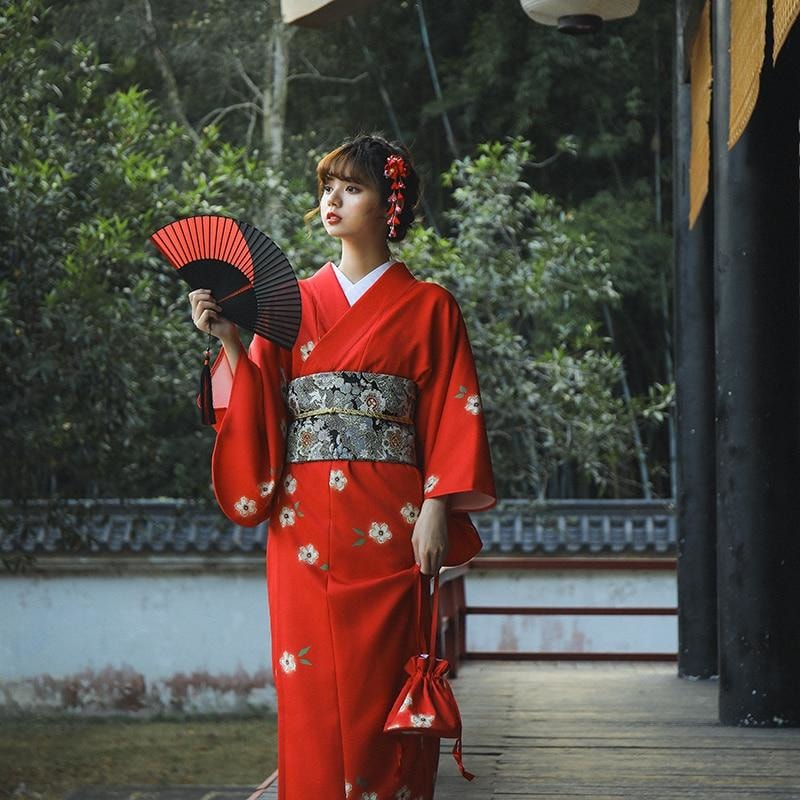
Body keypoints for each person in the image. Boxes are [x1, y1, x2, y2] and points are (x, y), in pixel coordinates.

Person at [188, 133, 496, 799]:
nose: (332, 199)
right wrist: (230, 340)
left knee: (386, 678)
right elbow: (261, 409)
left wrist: (439, 507)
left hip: (395, 521)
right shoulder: (289, 304)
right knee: (308, 685)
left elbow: (452, 410)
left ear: (391, 203)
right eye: (327, 186)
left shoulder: (430, 306)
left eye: (351, 187)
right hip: (301, 526)